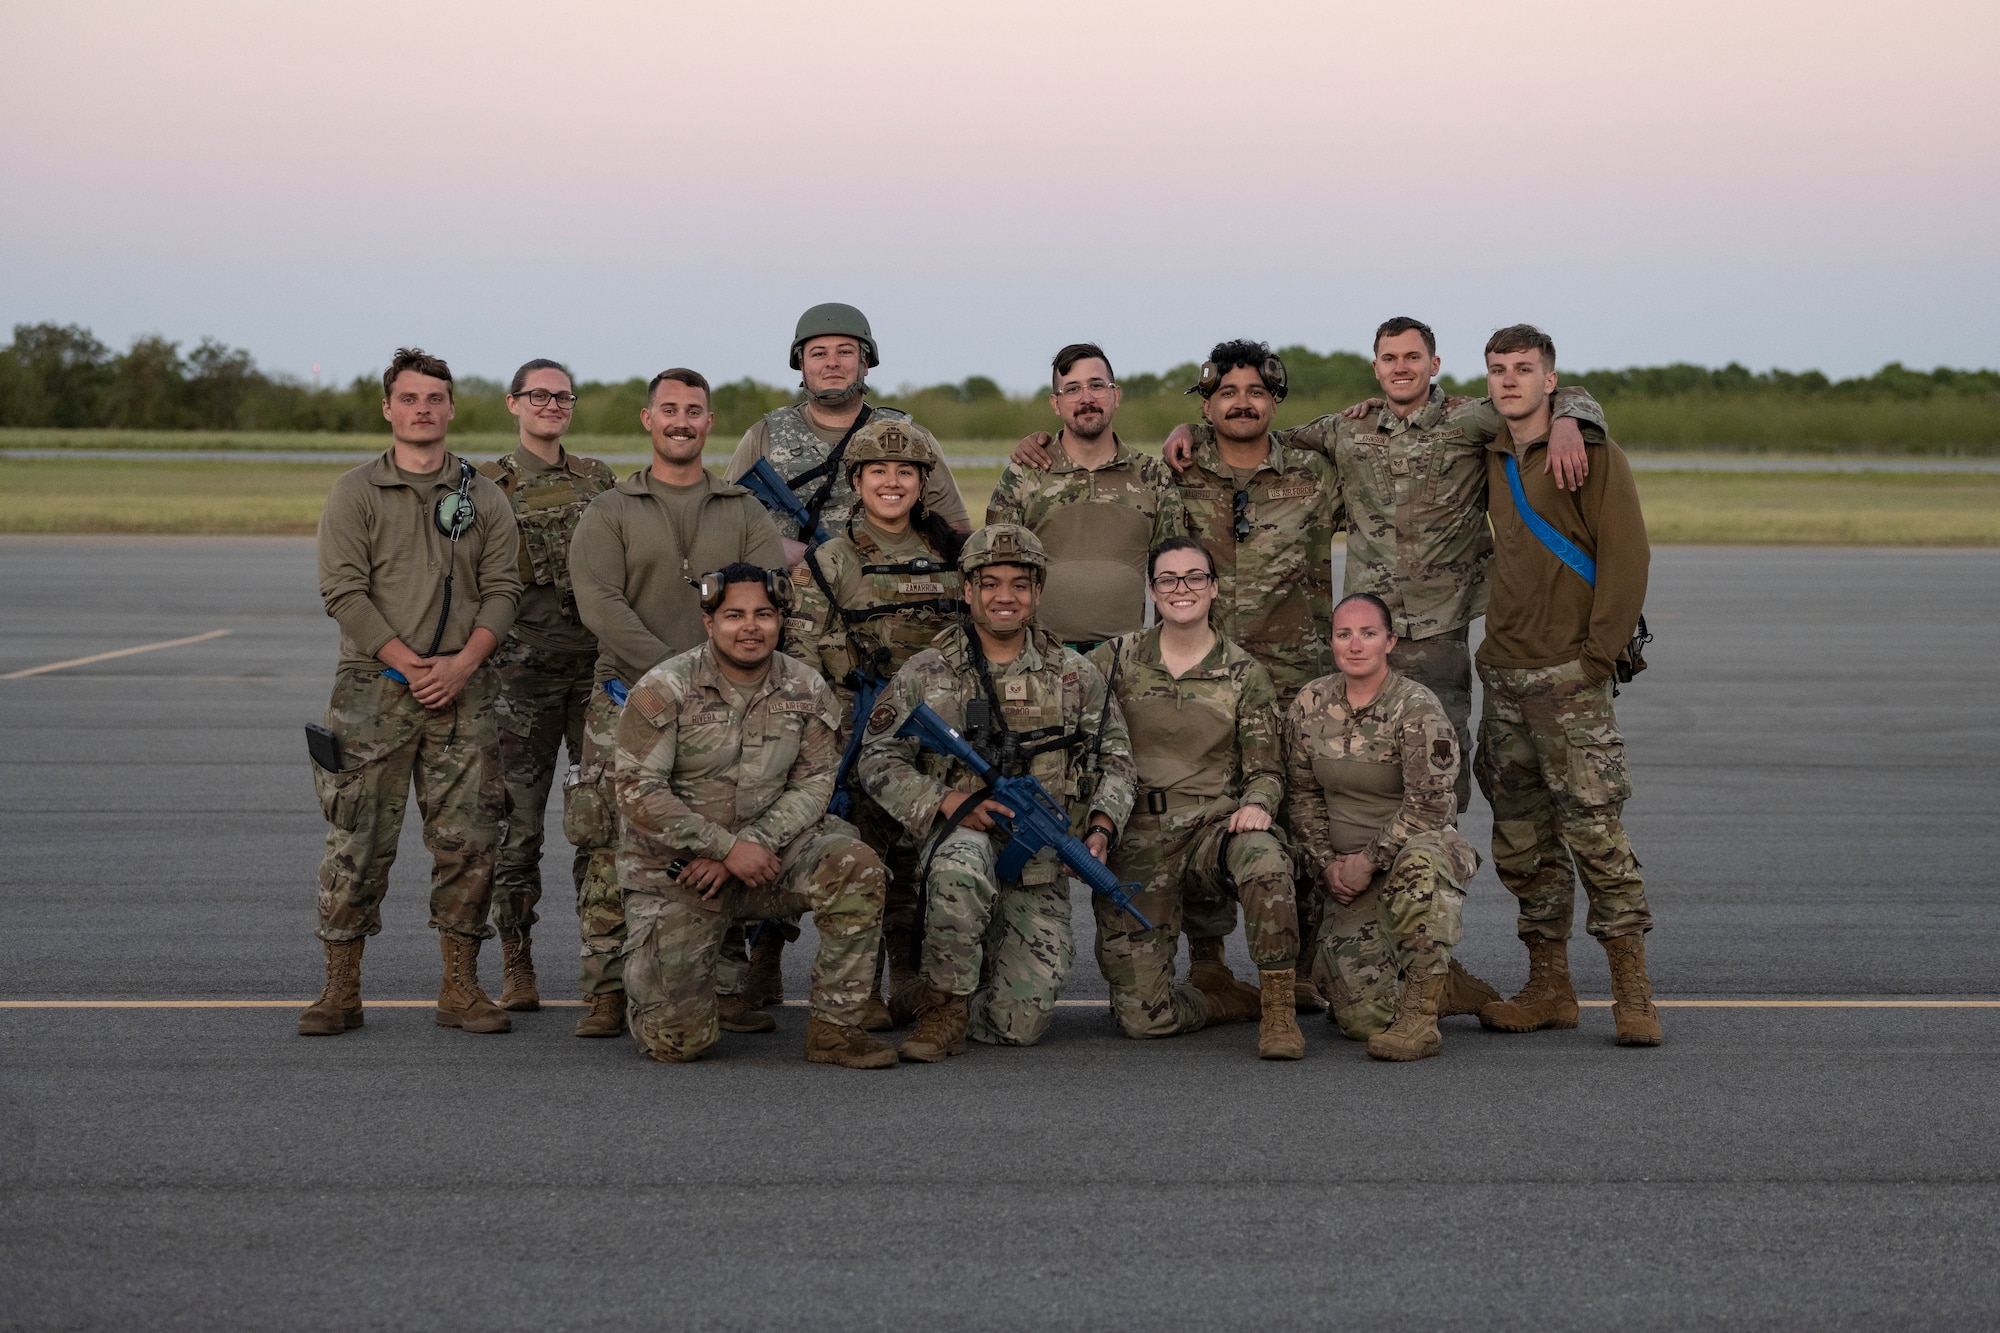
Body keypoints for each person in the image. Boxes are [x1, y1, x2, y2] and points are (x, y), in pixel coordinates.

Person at [1154, 318, 1605, 813]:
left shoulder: (1467, 420)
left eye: (1413, 357)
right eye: (1390, 358)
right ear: (1375, 367)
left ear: (1434, 365)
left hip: (1434, 634)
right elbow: (1257, 431)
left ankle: (1429, 871)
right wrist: (1190, 431)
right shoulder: (1346, 429)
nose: (1401, 367)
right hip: (1347, 640)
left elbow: (1537, 399)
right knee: (1338, 771)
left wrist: (1569, 422)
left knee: (1430, 771)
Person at [301, 348, 521, 1037]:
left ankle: (461, 985)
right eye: (409, 398)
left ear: (452, 408)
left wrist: (460, 665)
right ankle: (341, 989)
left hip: (467, 689)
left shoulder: (483, 495)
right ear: (389, 408)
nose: (422, 409)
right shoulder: (356, 492)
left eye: (435, 398)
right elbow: (344, 591)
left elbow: (504, 590)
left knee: (470, 842)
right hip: (373, 692)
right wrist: (411, 664)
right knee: (357, 841)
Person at [856, 525, 1135, 1062]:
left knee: (1018, 1024)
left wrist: (1101, 828)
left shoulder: (1075, 676)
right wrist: (949, 804)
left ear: (1038, 591)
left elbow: (1117, 760)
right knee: (962, 866)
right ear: (967, 590)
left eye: (1019, 584)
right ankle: (944, 1011)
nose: (1004, 597)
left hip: (1039, 862)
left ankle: (958, 983)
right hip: (961, 840)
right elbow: (877, 758)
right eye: (990, 584)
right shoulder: (928, 672)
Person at [565, 368, 786, 1038]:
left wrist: (713, 678)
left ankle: (720, 984)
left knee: (716, 833)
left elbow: (768, 593)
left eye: (694, 410)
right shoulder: (611, 509)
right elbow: (600, 603)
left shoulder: (743, 509)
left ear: (709, 424)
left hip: (726, 708)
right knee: (608, 839)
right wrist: (675, 673)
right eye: (669, 409)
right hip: (626, 700)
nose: (682, 420)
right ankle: (605, 986)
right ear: (647, 420)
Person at [614, 564, 898, 1068]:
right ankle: (704, 986)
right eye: (735, 615)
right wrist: (723, 849)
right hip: (683, 871)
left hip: (768, 857)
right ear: (709, 622)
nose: (751, 627)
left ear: (779, 620)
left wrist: (749, 845)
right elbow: (638, 791)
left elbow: (813, 785)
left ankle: (835, 1031)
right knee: (676, 1045)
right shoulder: (666, 688)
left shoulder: (806, 687)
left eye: (764, 615)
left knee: (856, 865)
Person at [1469, 325, 1660, 1046]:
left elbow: (1627, 555)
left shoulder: (1591, 451)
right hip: (1505, 673)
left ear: (1552, 379)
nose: (1510, 380)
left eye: (1524, 369)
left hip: (1568, 676)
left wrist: (1596, 658)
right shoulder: (1488, 445)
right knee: (1524, 841)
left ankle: (1631, 991)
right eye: (1498, 369)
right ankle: (1549, 985)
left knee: (1596, 832)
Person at [1085, 536, 1303, 1059]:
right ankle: (1221, 1001)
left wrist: (1259, 804)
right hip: (1134, 839)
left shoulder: (1244, 673)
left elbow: (1267, 769)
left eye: (1194, 578)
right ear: (1153, 591)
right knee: (1144, 1021)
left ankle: (1278, 1011)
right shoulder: (1112, 661)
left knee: (1267, 861)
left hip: (1212, 833)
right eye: (1168, 580)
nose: (1181, 589)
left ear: (1214, 587)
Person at [783, 417, 966, 1028]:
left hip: (935, 736)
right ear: (857, 481)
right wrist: (832, 733)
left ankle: (910, 975)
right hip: (853, 731)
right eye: (879, 472)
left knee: (920, 861)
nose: (893, 482)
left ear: (922, 481)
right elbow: (804, 658)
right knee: (861, 855)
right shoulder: (830, 561)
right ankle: (857, 988)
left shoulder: (950, 555)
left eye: (905, 472)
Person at [1286, 593, 1486, 1060]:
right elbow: (1302, 796)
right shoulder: (1311, 702)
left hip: (1412, 856)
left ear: (1390, 641)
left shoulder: (1416, 708)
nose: (1355, 645)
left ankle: (1421, 1018)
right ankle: (1444, 983)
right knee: (1362, 1022)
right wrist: (1328, 865)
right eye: (1344, 634)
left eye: (1368, 633)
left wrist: (1369, 861)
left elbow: (1432, 806)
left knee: (1420, 863)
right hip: (1344, 872)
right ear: (1332, 641)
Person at [477, 359, 618, 1010]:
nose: (552, 405)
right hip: (518, 674)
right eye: (539, 395)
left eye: (563, 396)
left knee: (600, 823)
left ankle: (605, 969)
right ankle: (517, 962)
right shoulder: (483, 485)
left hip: (593, 672)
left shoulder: (598, 479)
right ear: (514, 403)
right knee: (517, 828)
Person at [725, 303, 969, 558]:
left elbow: (955, 534)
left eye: (844, 352)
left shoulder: (911, 438)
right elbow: (725, 527)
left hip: (883, 589)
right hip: (790, 590)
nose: (832, 363)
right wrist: (777, 549)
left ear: (864, 363)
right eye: (819, 354)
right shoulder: (764, 436)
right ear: (802, 364)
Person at [985, 343, 1185, 651]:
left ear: (1115, 395)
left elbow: (1173, 574)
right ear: (1056, 403)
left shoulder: (1152, 474)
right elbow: (993, 569)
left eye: (1096, 385)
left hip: (1127, 658)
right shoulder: (1026, 473)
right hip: (1041, 659)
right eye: (1072, 389)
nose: (1086, 398)